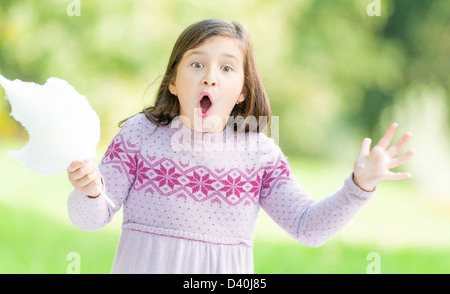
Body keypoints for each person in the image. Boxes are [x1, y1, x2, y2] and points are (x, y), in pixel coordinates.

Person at [66, 18, 415, 274]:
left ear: (243, 91)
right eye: (197, 63)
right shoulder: (140, 135)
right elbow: (89, 220)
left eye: (227, 68)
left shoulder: (258, 155)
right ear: (173, 81)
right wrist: (91, 192)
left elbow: (309, 227)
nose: (210, 76)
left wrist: (359, 186)